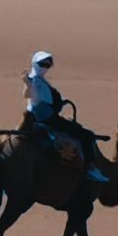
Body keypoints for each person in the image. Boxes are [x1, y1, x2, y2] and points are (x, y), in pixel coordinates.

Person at [23, 51, 107, 184]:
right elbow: (29, 96)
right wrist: (27, 85)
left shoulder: (38, 80)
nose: (45, 66)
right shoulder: (33, 80)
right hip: (46, 118)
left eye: (48, 64)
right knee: (86, 135)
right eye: (43, 63)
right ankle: (90, 168)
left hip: (43, 116)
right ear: (35, 63)